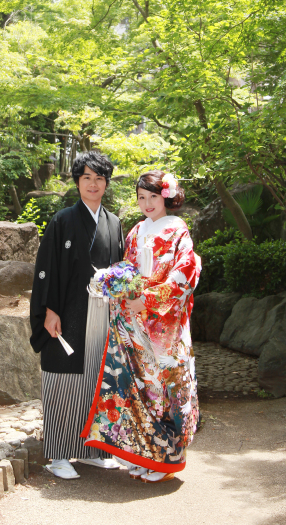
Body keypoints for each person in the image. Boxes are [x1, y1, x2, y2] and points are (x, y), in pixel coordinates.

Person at [81, 170, 201, 483]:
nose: (147, 203)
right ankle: (146, 455)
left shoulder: (177, 230)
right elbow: (128, 268)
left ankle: (167, 462)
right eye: (141, 197)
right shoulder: (136, 231)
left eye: (152, 196)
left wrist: (147, 298)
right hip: (135, 322)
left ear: (166, 197)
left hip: (165, 326)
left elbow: (185, 273)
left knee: (164, 388)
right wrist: (114, 284)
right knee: (139, 388)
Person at [29, 151, 125, 479]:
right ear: (77, 182)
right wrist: (49, 310)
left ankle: (95, 449)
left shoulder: (113, 223)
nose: (93, 184)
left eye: (99, 178)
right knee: (63, 378)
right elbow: (47, 269)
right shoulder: (63, 220)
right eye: (87, 178)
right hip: (68, 311)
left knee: (97, 379)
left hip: (103, 313)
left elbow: (120, 269)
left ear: (106, 182)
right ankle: (58, 454)